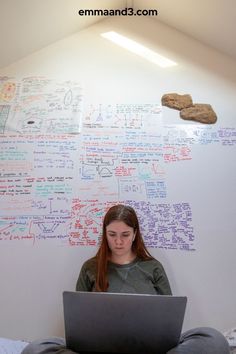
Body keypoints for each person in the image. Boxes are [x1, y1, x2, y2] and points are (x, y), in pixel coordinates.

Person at [22, 204, 229, 354]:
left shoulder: (153, 266)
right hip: (99, 347)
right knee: (36, 348)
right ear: (104, 234)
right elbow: (77, 323)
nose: (118, 241)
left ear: (135, 234)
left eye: (125, 234)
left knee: (213, 339)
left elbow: (170, 322)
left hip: (149, 348)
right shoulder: (90, 267)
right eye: (112, 234)